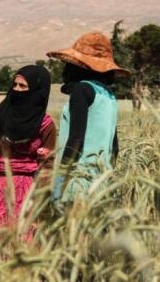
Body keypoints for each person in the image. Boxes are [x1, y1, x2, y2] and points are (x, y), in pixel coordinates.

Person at [46, 32, 131, 202]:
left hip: (77, 182)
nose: (65, 69)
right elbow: (114, 146)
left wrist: (60, 180)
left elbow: (76, 139)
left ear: (79, 67)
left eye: (68, 65)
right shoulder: (109, 95)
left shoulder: (82, 90)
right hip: (101, 183)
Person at [0, 65, 56, 230]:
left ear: (37, 92)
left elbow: (48, 167)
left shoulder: (46, 125)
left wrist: (39, 206)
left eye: (23, 86)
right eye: (15, 85)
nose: (17, 90)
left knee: (22, 244)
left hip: (27, 193)